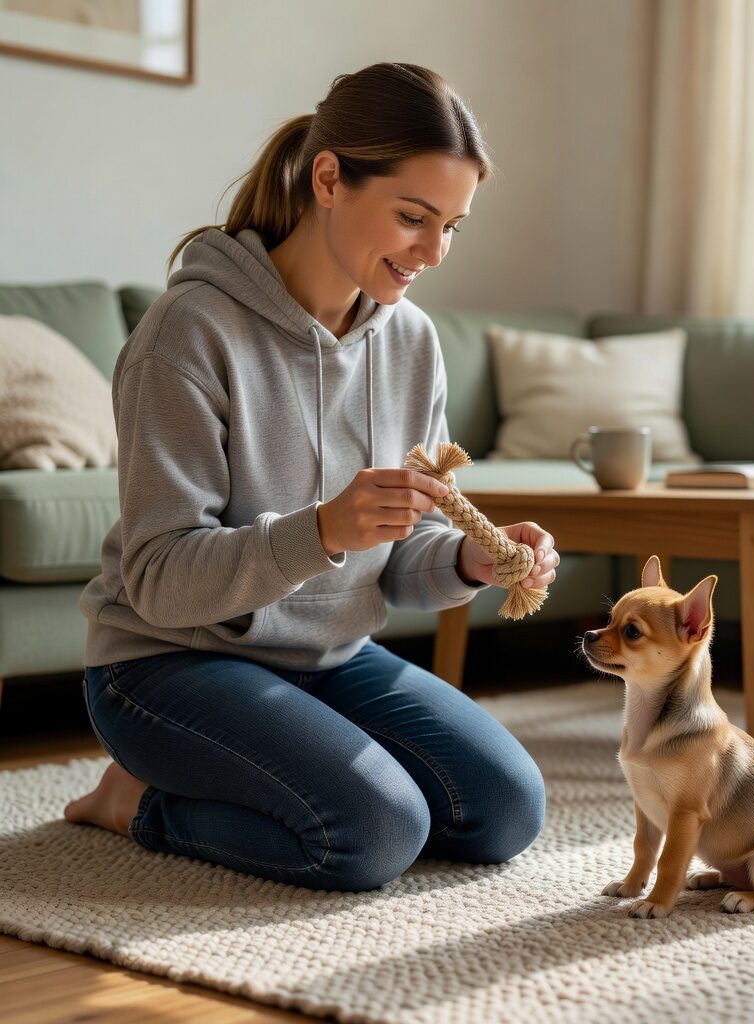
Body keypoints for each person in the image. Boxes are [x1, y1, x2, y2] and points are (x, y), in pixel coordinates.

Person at [64, 63, 559, 893]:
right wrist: (323, 530)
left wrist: (471, 561)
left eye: (453, 228)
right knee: (373, 830)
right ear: (329, 178)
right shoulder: (188, 333)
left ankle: (289, 756)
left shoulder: (411, 343)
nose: (433, 253)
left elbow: (403, 556)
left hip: (327, 658)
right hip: (165, 666)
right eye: (413, 217)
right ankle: (137, 801)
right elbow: (156, 582)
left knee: (505, 808)